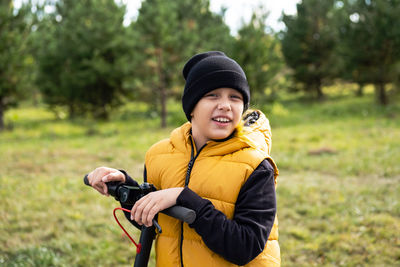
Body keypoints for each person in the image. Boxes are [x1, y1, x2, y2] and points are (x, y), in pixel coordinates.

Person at [87, 51, 280, 266]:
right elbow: (155, 223)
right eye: (212, 95)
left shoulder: (255, 166)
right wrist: (126, 188)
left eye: (235, 97)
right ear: (191, 107)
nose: (225, 104)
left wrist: (185, 199)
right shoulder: (159, 156)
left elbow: (245, 247)